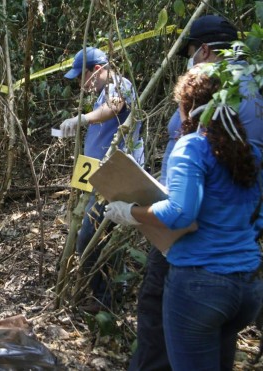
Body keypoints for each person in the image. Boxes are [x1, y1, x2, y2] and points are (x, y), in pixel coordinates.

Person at [106, 66, 263, 370]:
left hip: (200, 287)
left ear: (186, 106)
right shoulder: (252, 152)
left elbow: (180, 214)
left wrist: (130, 213)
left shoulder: (192, 146)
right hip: (248, 287)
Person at [61, 47, 143, 312]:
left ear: (96, 71)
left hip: (115, 178)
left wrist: (83, 119)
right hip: (97, 176)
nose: (81, 85)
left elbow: (114, 107)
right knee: (93, 235)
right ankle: (105, 294)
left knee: (92, 237)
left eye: (81, 77)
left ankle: (106, 299)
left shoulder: (120, 85)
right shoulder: (100, 92)